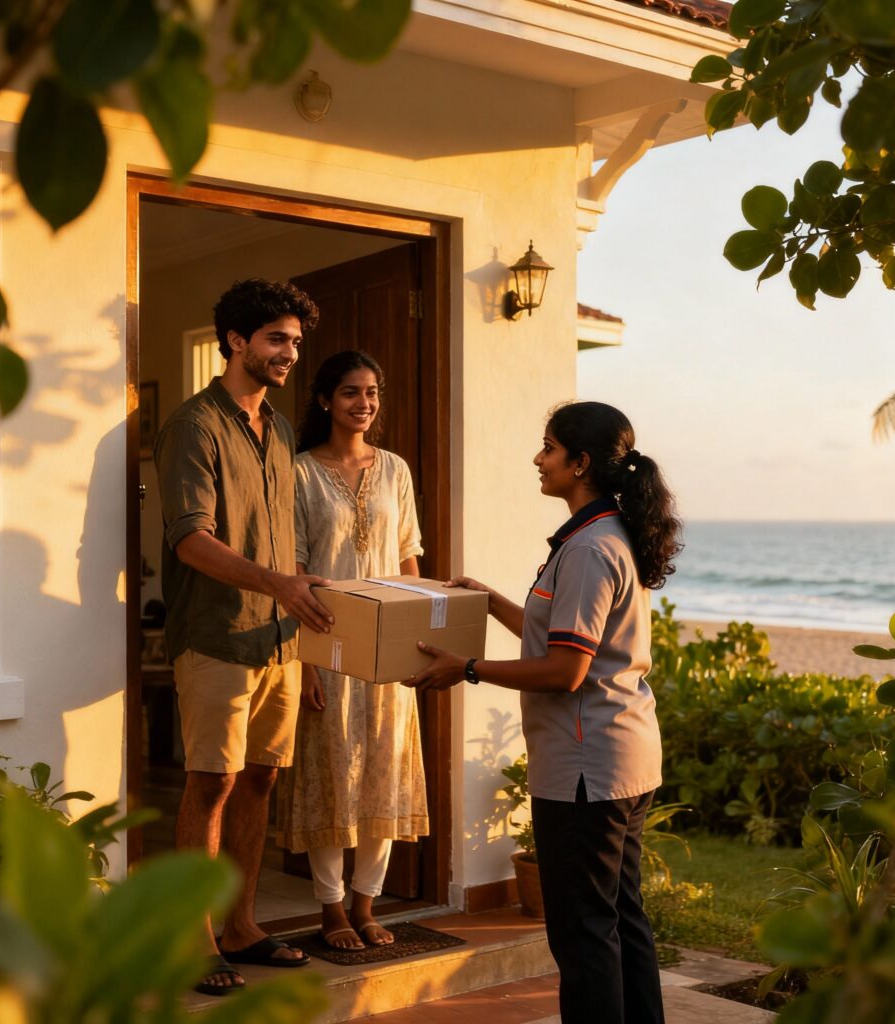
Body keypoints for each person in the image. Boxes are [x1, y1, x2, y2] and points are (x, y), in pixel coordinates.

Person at [407, 401, 681, 1024]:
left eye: (549, 448)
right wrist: (492, 601)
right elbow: (559, 634)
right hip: (623, 760)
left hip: (588, 769)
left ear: (580, 462)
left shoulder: (589, 548)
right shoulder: (603, 534)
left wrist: (468, 669)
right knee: (619, 918)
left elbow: (565, 670)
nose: (539, 458)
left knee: (583, 934)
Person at [154, 278, 334, 996]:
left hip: (281, 642)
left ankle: (241, 925)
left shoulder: (282, 428)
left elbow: (285, 539)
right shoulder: (194, 426)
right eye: (276, 340)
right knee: (211, 782)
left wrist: (303, 632)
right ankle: (191, 936)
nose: (290, 353)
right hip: (216, 637)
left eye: (295, 341)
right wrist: (281, 585)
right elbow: (191, 541)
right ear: (236, 341)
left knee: (260, 779)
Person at [282, 350, 429, 950]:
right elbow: (290, 568)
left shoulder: (394, 469)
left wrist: (425, 641)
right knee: (330, 776)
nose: (363, 403)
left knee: (383, 776)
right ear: (325, 400)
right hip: (328, 645)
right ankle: (331, 909)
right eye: (350, 392)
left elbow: (408, 557)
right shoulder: (297, 473)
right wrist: (306, 657)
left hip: (391, 647)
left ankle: (368, 906)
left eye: (372, 392)